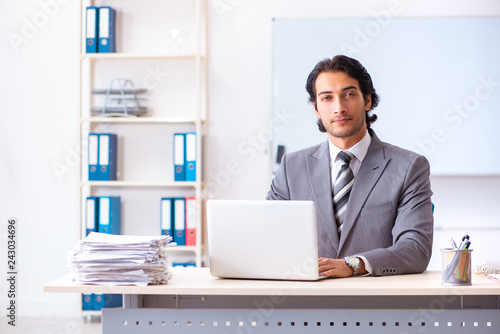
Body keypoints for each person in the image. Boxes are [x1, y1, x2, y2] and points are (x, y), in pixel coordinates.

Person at [266, 55, 433, 278]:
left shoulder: (409, 167)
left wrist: (354, 264)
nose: (339, 108)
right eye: (327, 98)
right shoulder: (290, 167)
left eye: (349, 95)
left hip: (379, 302)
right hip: (304, 300)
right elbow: (267, 237)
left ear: (368, 101)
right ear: (316, 108)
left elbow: (415, 249)